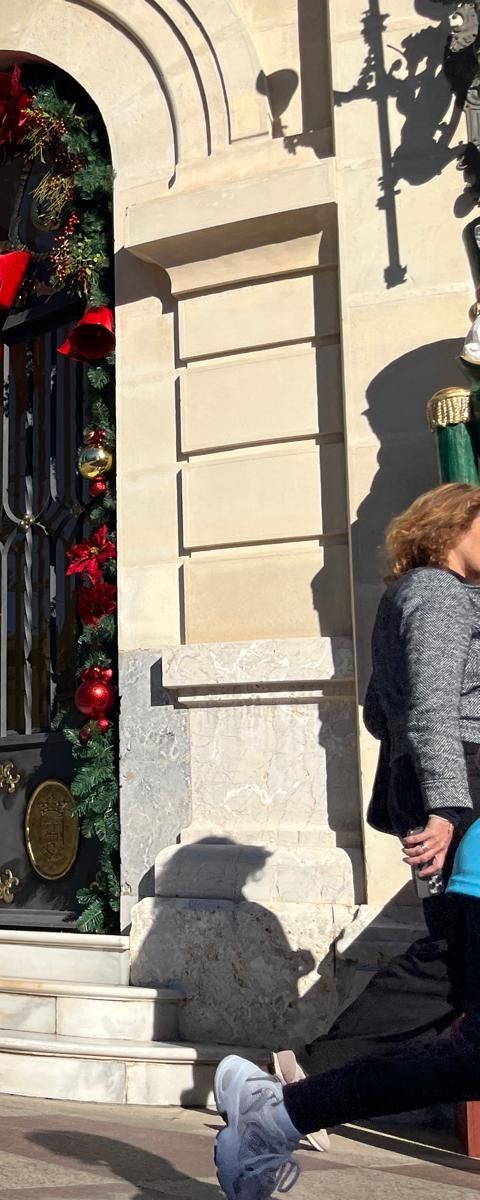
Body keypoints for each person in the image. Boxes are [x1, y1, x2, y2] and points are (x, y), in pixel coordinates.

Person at [212, 483, 480, 1199]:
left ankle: (299, 1082)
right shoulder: (445, 596)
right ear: (457, 525)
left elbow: (378, 713)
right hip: (466, 789)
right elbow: (428, 709)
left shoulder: (407, 596)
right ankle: (296, 1085)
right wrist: (452, 803)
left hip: (445, 787)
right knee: (453, 965)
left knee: (451, 961)